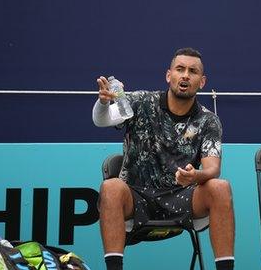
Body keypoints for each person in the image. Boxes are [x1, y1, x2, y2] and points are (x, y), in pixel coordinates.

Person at [92, 47, 235, 270]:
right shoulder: (140, 102)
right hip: (136, 195)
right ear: (169, 76)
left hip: (182, 197)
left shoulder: (209, 121)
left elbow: (212, 169)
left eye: (192, 71)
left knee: (220, 187)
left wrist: (195, 175)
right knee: (110, 188)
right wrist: (102, 103)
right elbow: (102, 121)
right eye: (180, 69)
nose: (185, 75)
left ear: (202, 81)